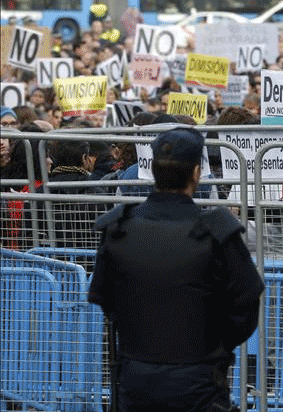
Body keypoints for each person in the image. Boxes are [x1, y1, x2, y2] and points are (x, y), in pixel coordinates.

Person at [88, 127, 264, 411]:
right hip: (197, 380)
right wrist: (213, 346)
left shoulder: (119, 228)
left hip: (138, 379)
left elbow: (106, 300)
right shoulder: (217, 232)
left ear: (153, 171)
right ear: (196, 173)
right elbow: (246, 305)